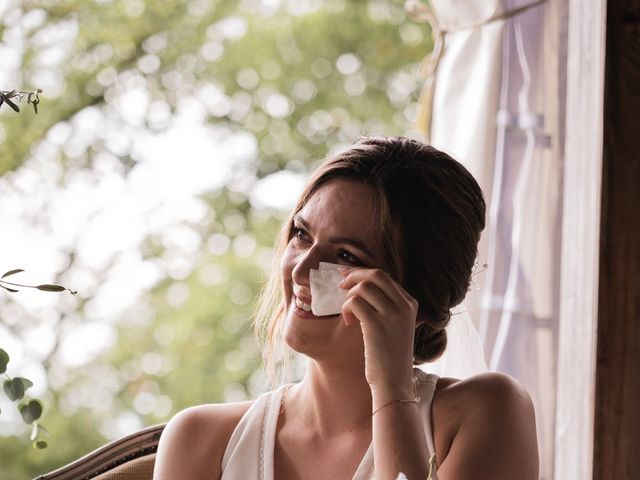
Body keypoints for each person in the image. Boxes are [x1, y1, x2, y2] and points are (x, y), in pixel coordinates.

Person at [153, 136, 539, 480]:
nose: (301, 270)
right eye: (302, 234)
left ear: (417, 300)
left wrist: (391, 387)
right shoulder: (199, 439)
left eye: (346, 256)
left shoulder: (486, 412)